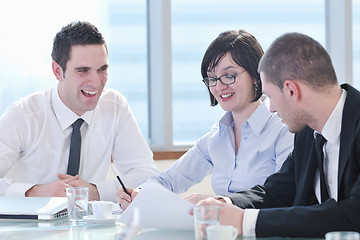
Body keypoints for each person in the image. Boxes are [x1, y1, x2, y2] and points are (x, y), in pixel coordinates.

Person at [196, 32, 360, 238]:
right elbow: (277, 192)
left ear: (292, 91)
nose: (271, 109)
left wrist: (243, 221)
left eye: (271, 96)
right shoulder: (308, 134)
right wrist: (226, 203)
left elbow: (354, 214)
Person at [116, 30, 293, 209]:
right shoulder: (217, 136)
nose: (219, 86)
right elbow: (170, 178)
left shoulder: (283, 128)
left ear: (256, 76)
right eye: (212, 78)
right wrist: (140, 192)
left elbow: (281, 196)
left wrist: (215, 203)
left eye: (229, 75)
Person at [0, 21, 159, 201]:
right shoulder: (23, 116)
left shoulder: (114, 106)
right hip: (27, 225)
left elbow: (146, 174)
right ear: (58, 71)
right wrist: (34, 192)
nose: (96, 82)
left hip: (89, 225)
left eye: (102, 69)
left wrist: (97, 191)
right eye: (83, 71)